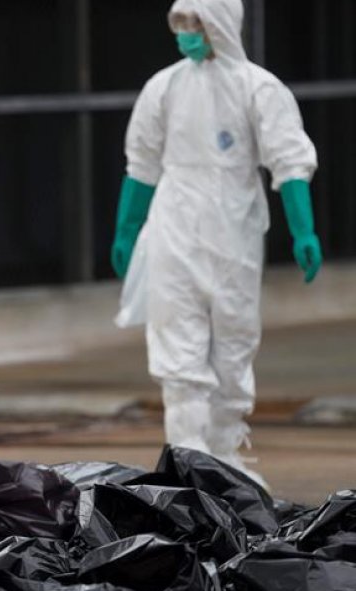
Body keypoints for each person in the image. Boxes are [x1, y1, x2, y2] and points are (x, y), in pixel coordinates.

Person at [111, 0, 320, 488]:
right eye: (179, 22)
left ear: (221, 23)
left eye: (195, 22)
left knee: (232, 345)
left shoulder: (258, 89)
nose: (185, 33)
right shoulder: (163, 88)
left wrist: (303, 228)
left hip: (233, 236)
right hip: (174, 232)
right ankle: (186, 464)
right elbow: (141, 163)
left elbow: (288, 161)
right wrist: (127, 228)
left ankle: (225, 460)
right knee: (176, 355)